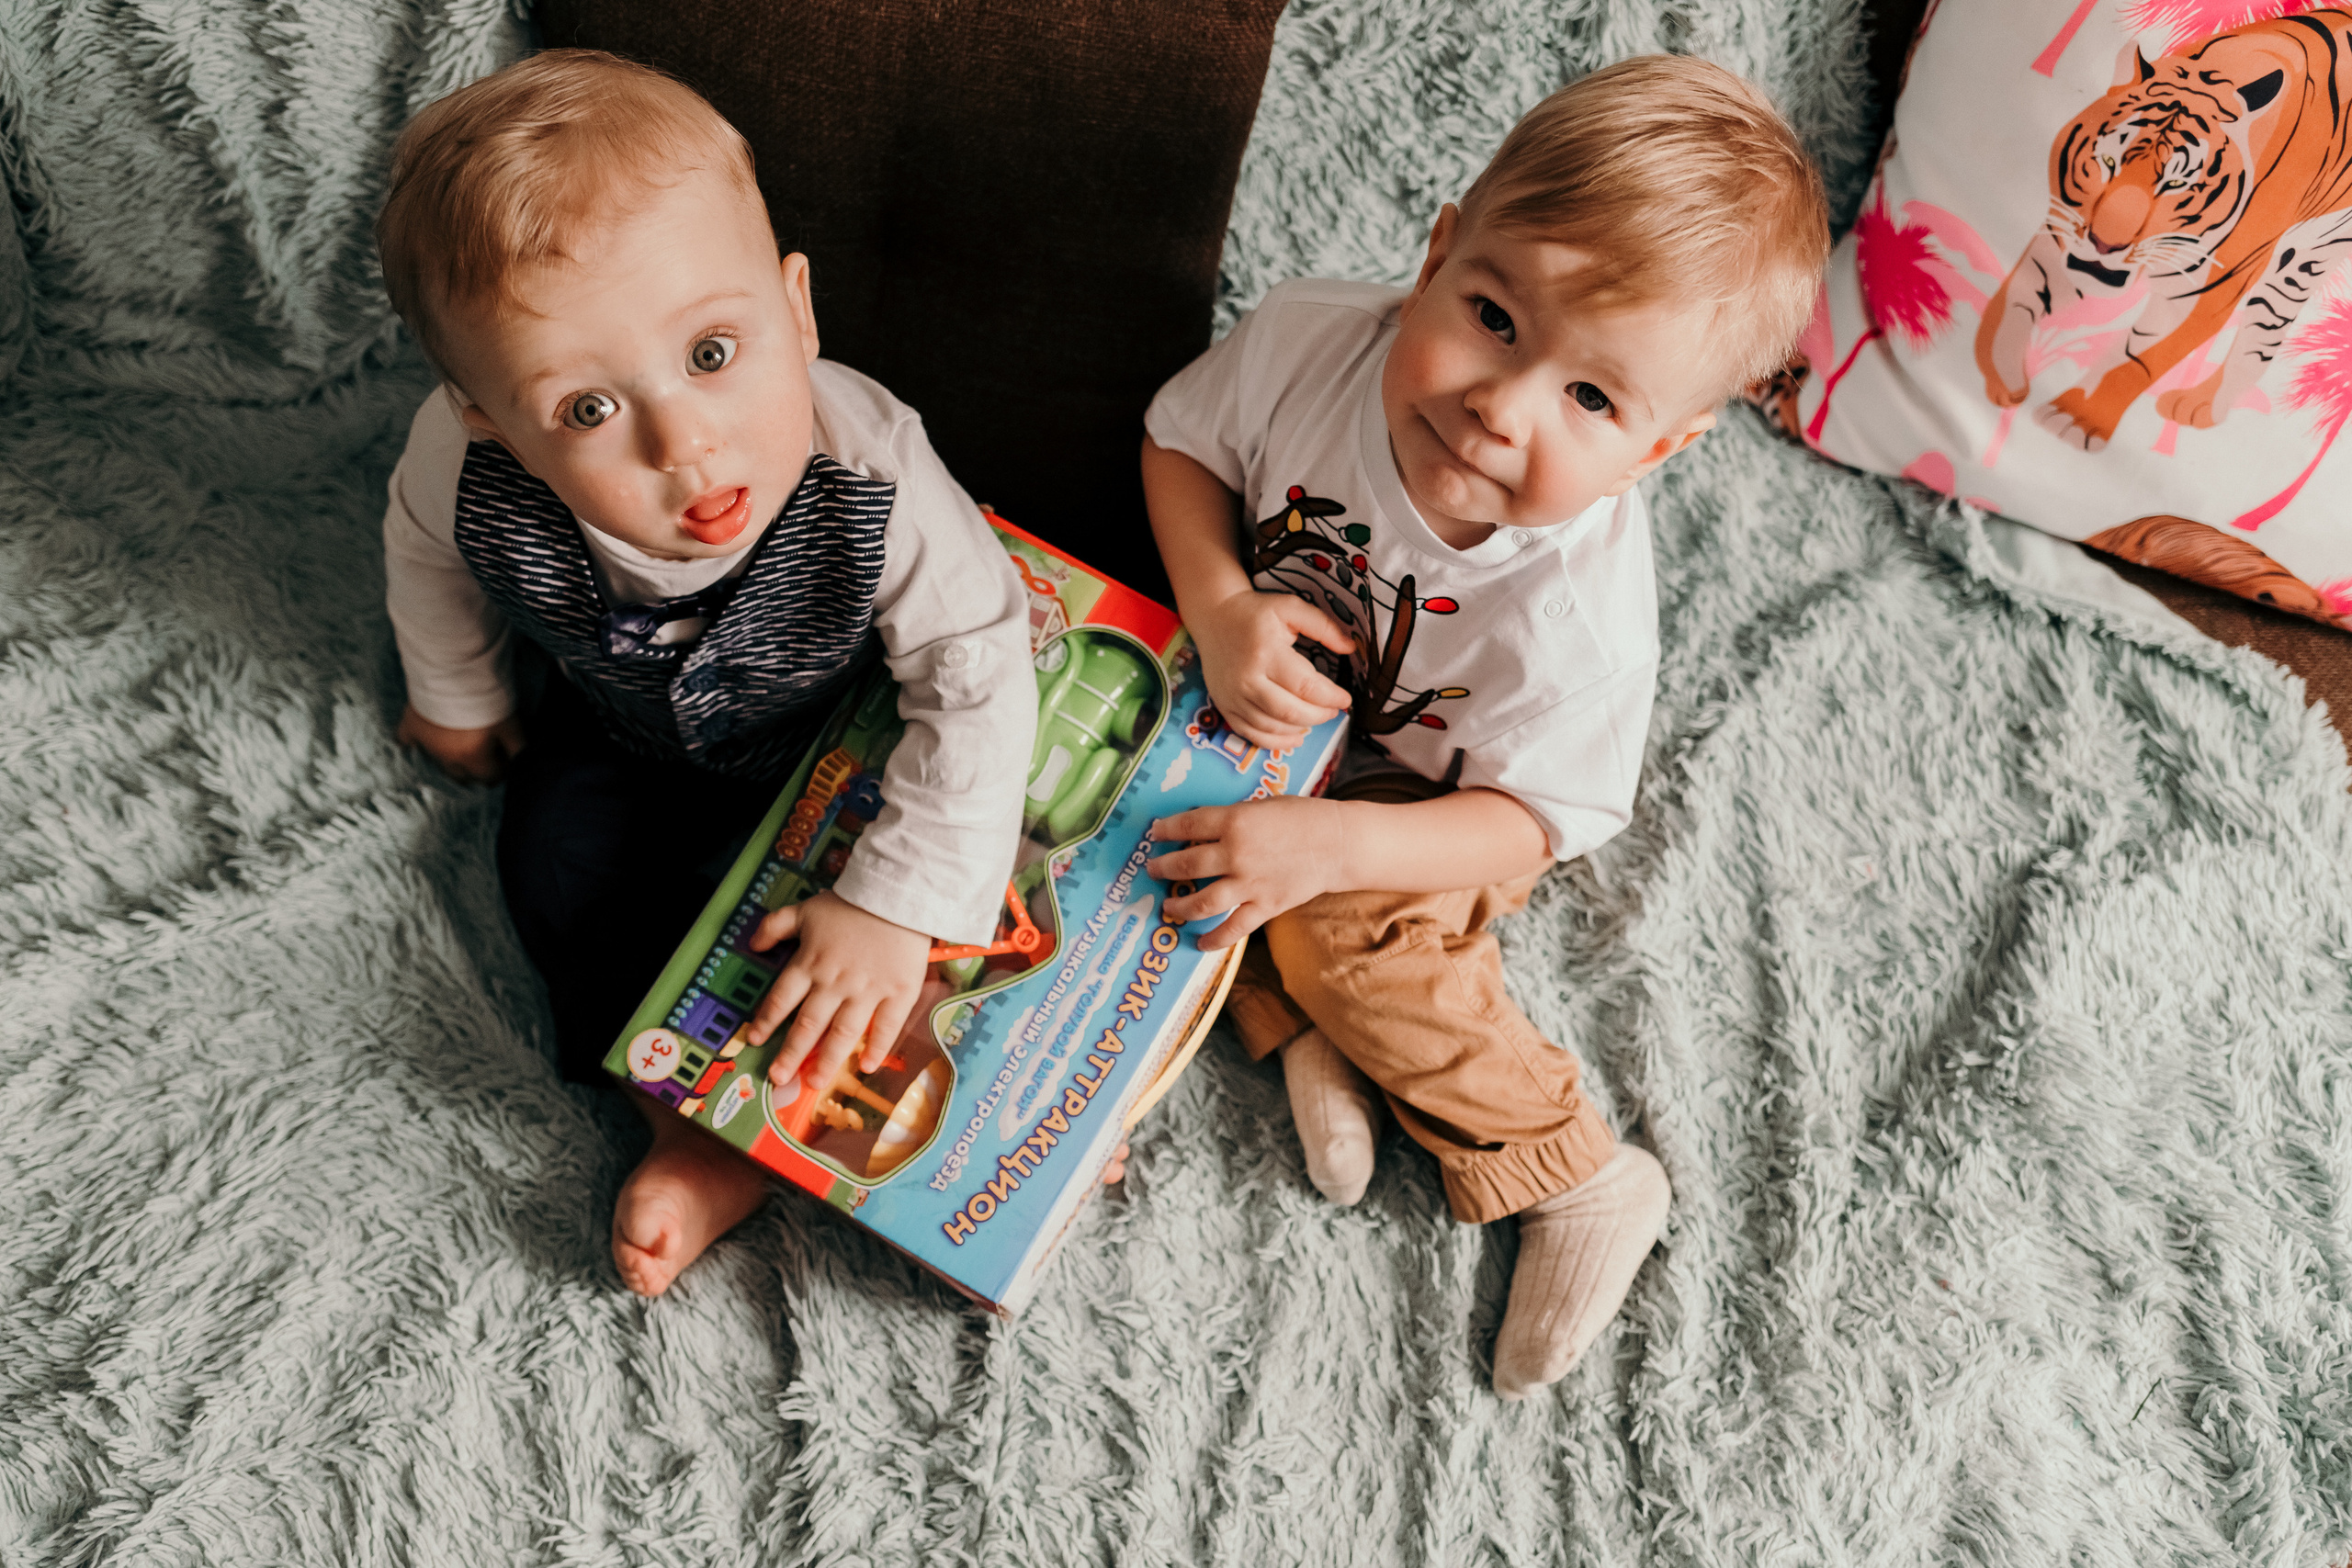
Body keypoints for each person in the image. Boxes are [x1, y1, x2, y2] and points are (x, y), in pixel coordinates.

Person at [1139, 55, 1829, 1398]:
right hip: (1270, 695)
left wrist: (1332, 849)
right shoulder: (1306, 342)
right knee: (1148, 829)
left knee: (1343, 925)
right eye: (1495, 317)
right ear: (1441, 244)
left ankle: (1573, 1169)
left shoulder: (1575, 621)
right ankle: (1308, 1032)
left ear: (1660, 450)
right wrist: (1222, 608)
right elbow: (1181, 446)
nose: (1500, 410)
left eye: (1592, 400)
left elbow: (1543, 819)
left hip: (1461, 796)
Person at [374, 51, 1039, 1297]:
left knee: (952, 885)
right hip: (625, 741)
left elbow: (978, 664)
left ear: (798, 310)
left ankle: (959, 1085)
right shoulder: (457, 472)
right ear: (486, 420)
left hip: (840, 744)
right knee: (555, 861)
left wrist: (897, 902)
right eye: (585, 412)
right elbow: (424, 556)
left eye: (716, 352)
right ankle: (689, 1128)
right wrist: (455, 694)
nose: (685, 445)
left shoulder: (871, 470)